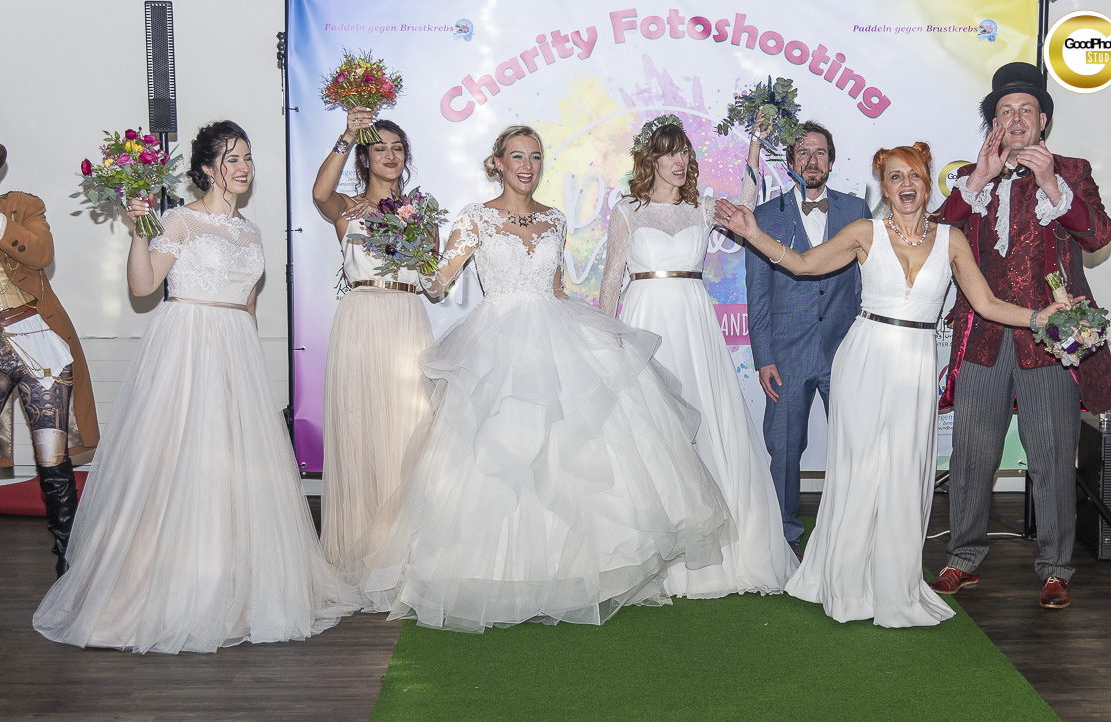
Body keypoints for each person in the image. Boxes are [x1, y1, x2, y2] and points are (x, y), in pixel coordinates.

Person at [357, 125, 736, 633]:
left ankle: (560, 575)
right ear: (497, 163)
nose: (527, 166)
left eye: (535, 157)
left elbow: (556, 289)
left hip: (553, 334)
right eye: (517, 157)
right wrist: (411, 248)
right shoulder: (475, 218)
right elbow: (438, 284)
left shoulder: (555, 219)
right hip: (498, 344)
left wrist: (598, 332)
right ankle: (496, 577)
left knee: (563, 454)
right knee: (502, 454)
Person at [33, 121, 359, 653]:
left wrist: (250, 368)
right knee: (176, 462)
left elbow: (248, 306)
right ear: (207, 168)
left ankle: (233, 586)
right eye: (231, 159)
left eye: (247, 157)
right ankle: (162, 588)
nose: (243, 167)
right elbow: (144, 286)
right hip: (186, 344)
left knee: (233, 468)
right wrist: (139, 229)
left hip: (235, 350)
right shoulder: (180, 220)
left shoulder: (252, 232)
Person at [720, 142, 1066, 627]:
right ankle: (845, 580)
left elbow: (987, 304)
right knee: (860, 471)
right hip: (864, 359)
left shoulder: (952, 240)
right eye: (895, 177)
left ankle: (893, 583)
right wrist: (753, 233)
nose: (906, 184)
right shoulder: (864, 232)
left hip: (916, 365)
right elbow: (802, 265)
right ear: (884, 188)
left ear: (927, 184)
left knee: (905, 473)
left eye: (915, 176)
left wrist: (1038, 317)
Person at [929, 62, 1111, 609]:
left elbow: (1099, 236)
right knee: (971, 454)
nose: (1016, 120)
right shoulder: (972, 176)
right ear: (994, 124)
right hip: (983, 338)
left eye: (1026, 111)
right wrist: (976, 181)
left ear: (1043, 121)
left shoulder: (1073, 171)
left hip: (1052, 341)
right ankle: (962, 558)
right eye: (1005, 112)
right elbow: (932, 238)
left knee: (1053, 456)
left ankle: (1056, 568)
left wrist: (1051, 184)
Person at [599, 114, 796, 597]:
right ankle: (651, 554)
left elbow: (746, 206)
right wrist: (608, 334)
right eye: (670, 153)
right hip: (645, 319)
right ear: (651, 160)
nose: (680, 161)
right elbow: (611, 277)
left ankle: (723, 552)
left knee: (705, 419)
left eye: (685, 152)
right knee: (651, 428)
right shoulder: (627, 210)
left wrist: (754, 145)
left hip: (694, 322)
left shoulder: (703, 208)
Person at [0, 113, 98, 585]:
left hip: (34, 339)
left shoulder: (23, 206)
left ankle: (68, 560)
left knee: (52, 456)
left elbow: (41, 253)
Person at [312, 109, 433, 574]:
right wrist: (347, 135)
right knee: (361, 431)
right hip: (361, 321)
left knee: (409, 432)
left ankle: (402, 554)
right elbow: (319, 194)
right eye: (379, 148)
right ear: (364, 159)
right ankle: (358, 551)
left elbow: (432, 280)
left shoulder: (422, 214)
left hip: (407, 319)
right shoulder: (348, 208)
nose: (390, 155)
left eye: (398, 148)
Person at [742, 122, 870, 558]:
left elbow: (865, 281)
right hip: (786, 353)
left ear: (831, 161)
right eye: (803, 152)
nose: (812, 161)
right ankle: (783, 538)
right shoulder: (765, 217)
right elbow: (758, 293)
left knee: (855, 445)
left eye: (820, 153)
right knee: (784, 448)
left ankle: (853, 534)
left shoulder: (856, 209)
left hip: (845, 349)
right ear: (790, 161)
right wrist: (764, 356)